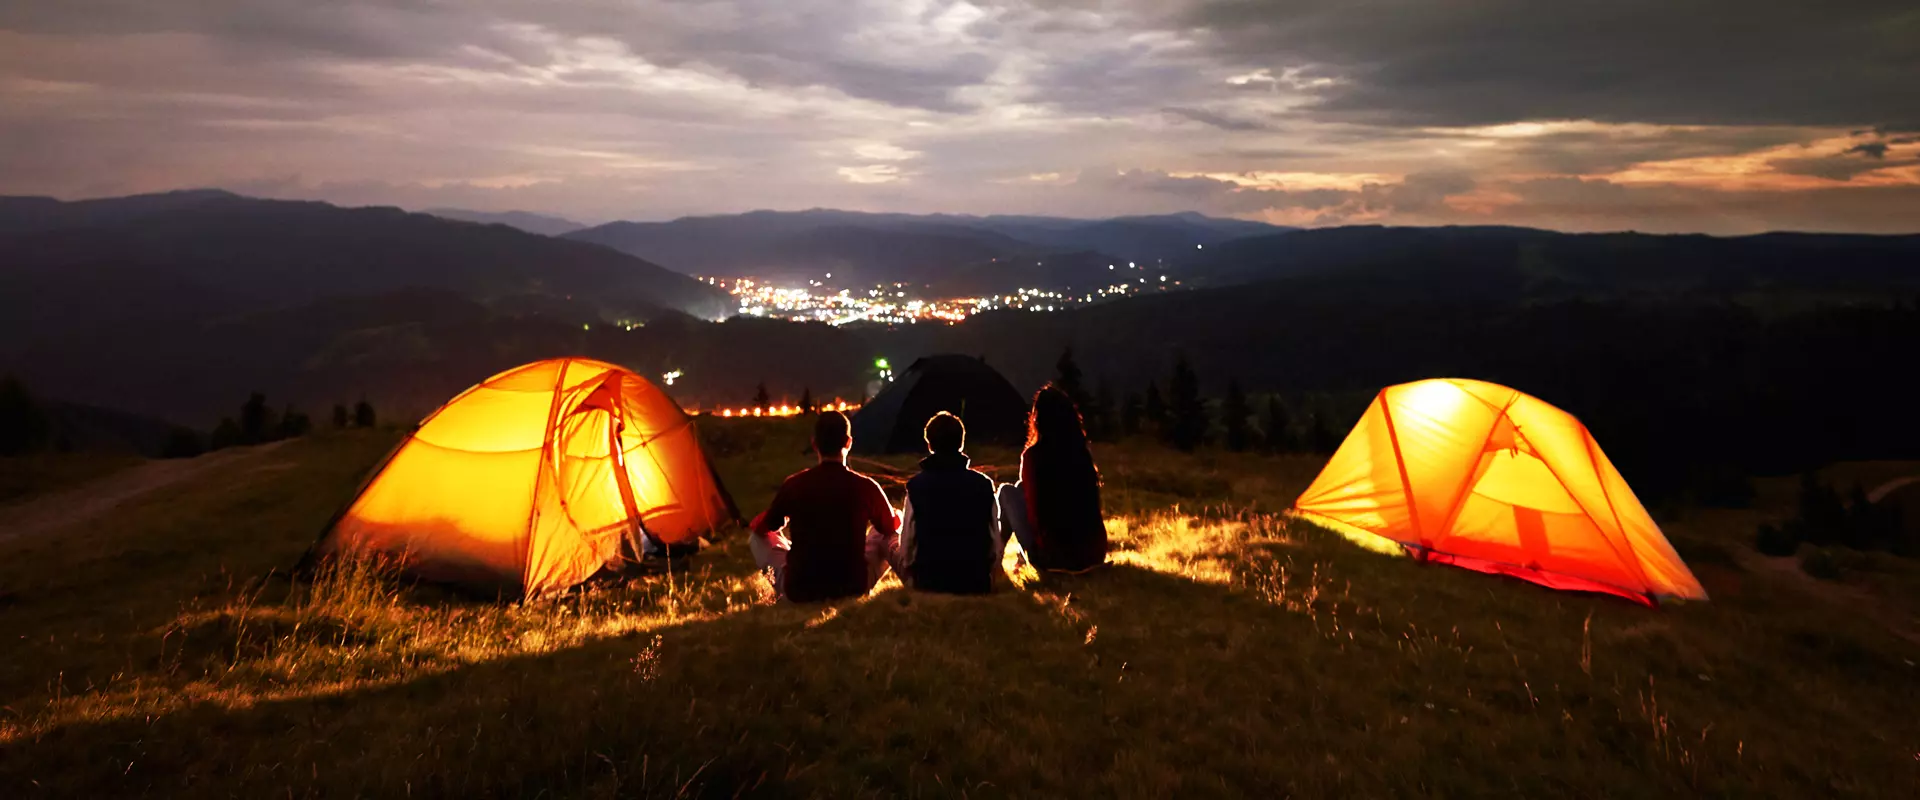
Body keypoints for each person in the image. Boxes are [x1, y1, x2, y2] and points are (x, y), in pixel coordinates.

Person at [750, 411, 901, 602]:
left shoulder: (795, 484)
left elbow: (767, 526)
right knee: (891, 525)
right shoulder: (866, 486)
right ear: (848, 442)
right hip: (853, 586)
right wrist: (896, 515)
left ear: (814, 444)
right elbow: (889, 527)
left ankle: (788, 582)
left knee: (756, 539)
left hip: (799, 589)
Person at [999, 384, 1107, 572]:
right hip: (1094, 555)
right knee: (1019, 486)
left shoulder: (1034, 456)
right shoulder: (1081, 453)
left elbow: (1035, 514)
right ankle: (1018, 560)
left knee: (1007, 492)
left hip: (1054, 559)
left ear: (1038, 419)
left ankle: (994, 563)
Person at [900, 412, 1000, 594]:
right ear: (961, 443)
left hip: (929, 582)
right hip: (975, 582)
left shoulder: (916, 486)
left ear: (929, 444)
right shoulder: (984, 485)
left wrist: (911, 574)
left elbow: (908, 543)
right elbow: (994, 541)